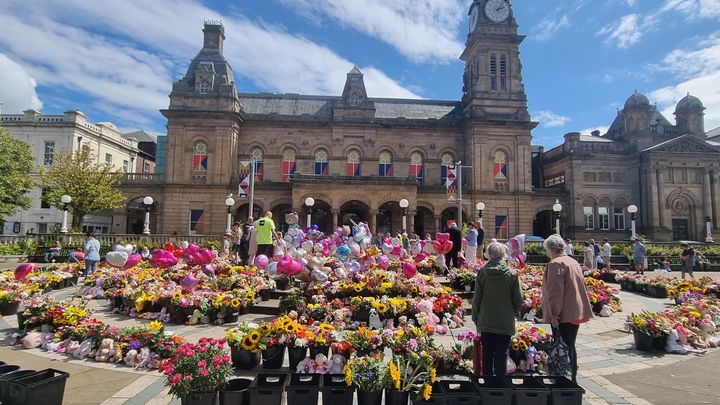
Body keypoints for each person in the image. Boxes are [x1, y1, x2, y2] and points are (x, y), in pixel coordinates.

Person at [541, 234, 593, 383]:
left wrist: (554, 314)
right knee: (569, 345)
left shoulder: (556, 264)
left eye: (546, 250)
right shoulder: (572, 261)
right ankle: (571, 378)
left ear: (550, 250)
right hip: (575, 311)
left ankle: (563, 379)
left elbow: (555, 292)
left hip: (563, 313)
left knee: (563, 345)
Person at [471, 242, 523, 376]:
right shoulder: (511, 274)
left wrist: (475, 317)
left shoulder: (482, 273)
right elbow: (518, 299)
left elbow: (477, 298)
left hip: (486, 319)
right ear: (503, 255)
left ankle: (488, 384)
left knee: (487, 353)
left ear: (488, 255)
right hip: (505, 321)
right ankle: (500, 386)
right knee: (501, 354)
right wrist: (513, 311)